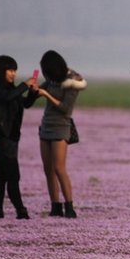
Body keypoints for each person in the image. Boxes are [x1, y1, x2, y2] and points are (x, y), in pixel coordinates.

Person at [34, 50, 87, 218]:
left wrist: (46, 95)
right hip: (46, 126)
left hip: (60, 127)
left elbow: (65, 109)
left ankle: (69, 207)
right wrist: (33, 89)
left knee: (59, 168)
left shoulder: (71, 82)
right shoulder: (51, 80)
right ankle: (55, 206)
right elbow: (32, 98)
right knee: (48, 170)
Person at [0, 55, 38, 219]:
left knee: (2, 175)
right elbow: (7, 98)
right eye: (10, 70)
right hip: (1, 138)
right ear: (1, 71)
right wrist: (24, 85)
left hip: (12, 139)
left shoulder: (11, 90)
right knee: (13, 176)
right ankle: (21, 211)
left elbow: (25, 104)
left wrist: (33, 93)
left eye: (15, 70)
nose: (13, 74)